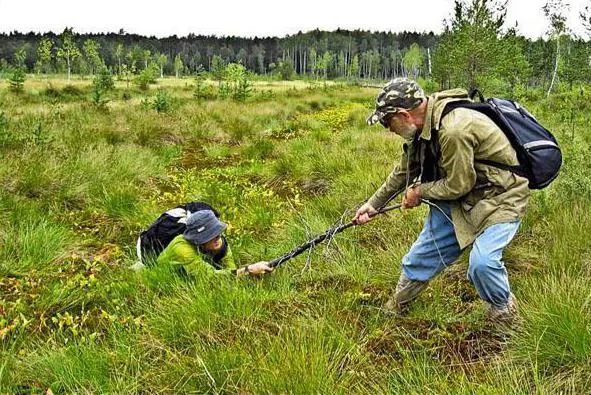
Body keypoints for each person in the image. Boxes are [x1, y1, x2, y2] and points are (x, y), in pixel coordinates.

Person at [353, 78, 529, 323]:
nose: (387, 128)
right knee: (419, 259)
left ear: (403, 115)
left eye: (386, 121)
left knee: (483, 264)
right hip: (459, 198)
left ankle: (505, 315)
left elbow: (459, 184)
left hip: (499, 197)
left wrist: (419, 192)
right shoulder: (422, 129)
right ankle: (397, 309)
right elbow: (405, 171)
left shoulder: (454, 129)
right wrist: (373, 205)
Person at [156, 209, 273, 277]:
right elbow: (208, 277)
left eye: (218, 232)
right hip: (163, 276)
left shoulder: (219, 243)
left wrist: (245, 274)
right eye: (211, 235)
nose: (217, 237)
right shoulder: (182, 249)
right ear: (199, 238)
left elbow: (231, 269)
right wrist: (248, 270)